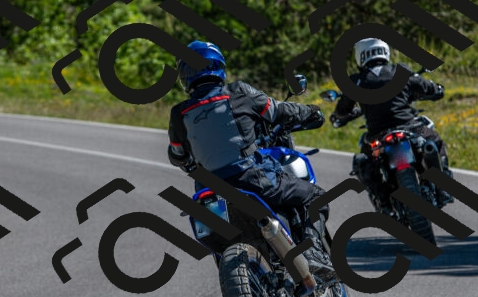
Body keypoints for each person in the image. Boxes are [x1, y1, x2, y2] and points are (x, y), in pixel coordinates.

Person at [167, 40, 337, 283]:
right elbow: (279, 111)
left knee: (216, 239)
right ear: (218, 66)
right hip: (253, 181)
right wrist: (311, 111)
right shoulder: (239, 92)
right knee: (315, 196)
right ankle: (311, 254)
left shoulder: (179, 113)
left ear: (184, 75)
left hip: (210, 195)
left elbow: (177, 155)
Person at [330, 38, 453, 207]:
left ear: (360, 56)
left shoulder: (357, 81)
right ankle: (443, 187)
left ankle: (383, 201)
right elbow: (430, 88)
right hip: (410, 128)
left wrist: (339, 115)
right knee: (434, 141)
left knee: (363, 161)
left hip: (378, 136)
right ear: (385, 51)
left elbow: (342, 110)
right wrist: (437, 89)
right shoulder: (400, 71)